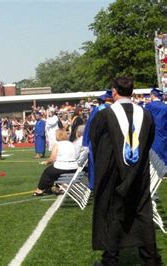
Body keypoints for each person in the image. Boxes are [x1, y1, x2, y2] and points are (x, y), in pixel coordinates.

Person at [90, 77, 162, 265]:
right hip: (139, 172)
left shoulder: (105, 115)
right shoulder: (145, 115)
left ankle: (110, 259)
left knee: (113, 213)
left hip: (113, 172)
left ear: (114, 91)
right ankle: (150, 258)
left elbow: (95, 141)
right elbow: (149, 141)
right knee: (142, 212)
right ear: (132, 91)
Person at [33, 129, 78, 196]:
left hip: (62, 167)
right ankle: (56, 187)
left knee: (47, 172)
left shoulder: (57, 144)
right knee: (54, 171)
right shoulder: (72, 144)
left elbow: (52, 158)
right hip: (74, 168)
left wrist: (46, 162)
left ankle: (40, 190)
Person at [82, 90, 113, 189]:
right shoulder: (116, 108)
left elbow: (90, 126)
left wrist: (86, 142)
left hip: (97, 141)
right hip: (112, 141)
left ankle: (94, 184)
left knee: (95, 163)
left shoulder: (98, 109)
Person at [144, 88, 167, 176]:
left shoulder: (149, 106)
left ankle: (161, 169)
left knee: (156, 151)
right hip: (164, 129)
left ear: (153, 95)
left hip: (155, 130)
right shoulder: (165, 106)